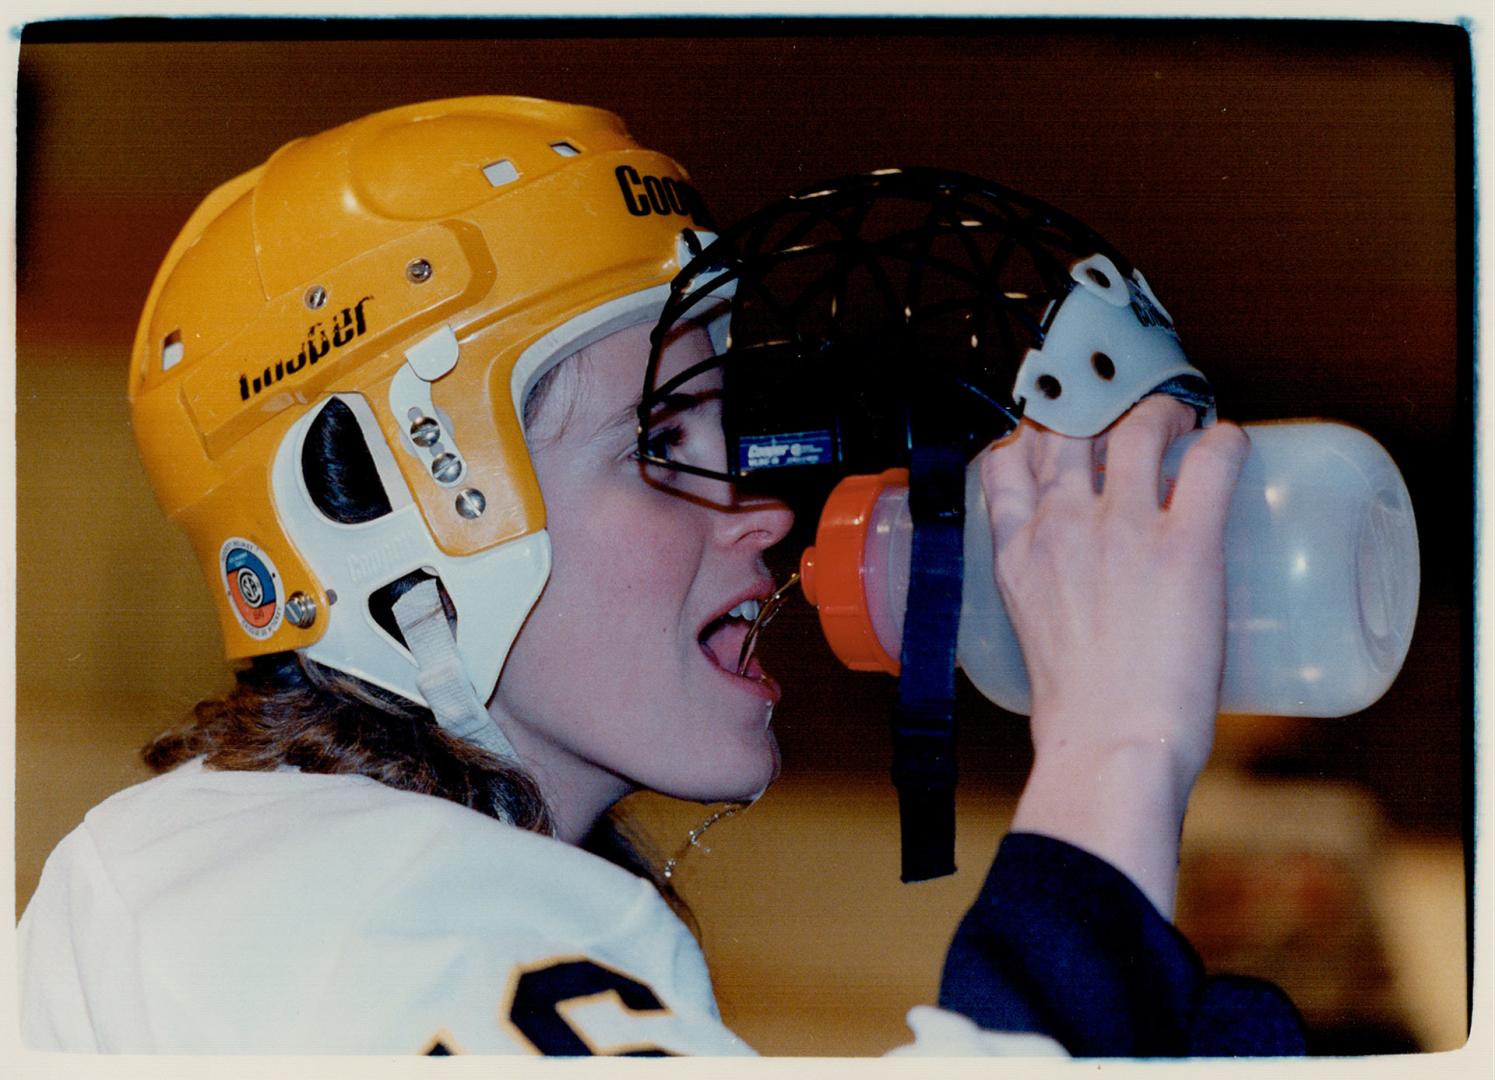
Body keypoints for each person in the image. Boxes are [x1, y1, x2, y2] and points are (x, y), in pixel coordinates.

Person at [18, 96, 1305, 1057]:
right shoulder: (332, 895)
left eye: (728, 433)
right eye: (653, 443)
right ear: (373, 503)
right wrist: (1116, 751)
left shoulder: (364, 894)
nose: (760, 511)